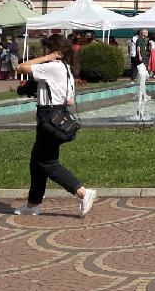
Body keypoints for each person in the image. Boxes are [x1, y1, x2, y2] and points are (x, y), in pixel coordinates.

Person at [13, 35, 96, 217]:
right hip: (57, 115)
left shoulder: (52, 66)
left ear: (53, 50)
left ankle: (82, 192)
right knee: (37, 161)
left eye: (46, 50)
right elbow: (70, 100)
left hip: (48, 116)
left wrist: (46, 59)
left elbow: (19, 67)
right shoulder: (66, 69)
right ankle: (33, 203)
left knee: (47, 162)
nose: (43, 53)